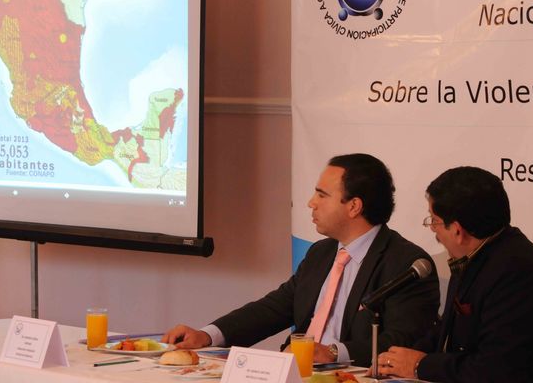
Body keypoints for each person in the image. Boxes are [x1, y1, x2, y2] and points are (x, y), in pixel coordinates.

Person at [163, 153, 440, 366]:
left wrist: (333, 352)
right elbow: (274, 308)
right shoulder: (322, 252)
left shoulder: (405, 263)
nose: (311, 203)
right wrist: (208, 335)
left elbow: (402, 341)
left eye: (322, 195)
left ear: (354, 206)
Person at [376, 166, 533, 382]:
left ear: (457, 230)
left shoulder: (515, 270)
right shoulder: (475, 253)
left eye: (434, 220)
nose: (432, 228)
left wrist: (418, 365)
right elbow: (447, 330)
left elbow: (495, 369)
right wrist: (399, 359)